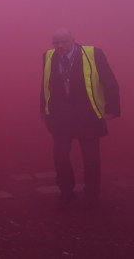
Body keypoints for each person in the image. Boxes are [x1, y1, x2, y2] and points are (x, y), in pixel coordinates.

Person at [40, 28, 120, 209]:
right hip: (60, 116)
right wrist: (43, 109)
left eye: (64, 42)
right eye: (56, 42)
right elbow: (44, 84)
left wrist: (112, 108)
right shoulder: (48, 56)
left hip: (87, 115)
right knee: (60, 154)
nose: (60, 46)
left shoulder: (94, 53)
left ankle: (92, 193)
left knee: (91, 156)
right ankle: (66, 191)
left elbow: (109, 80)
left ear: (73, 40)